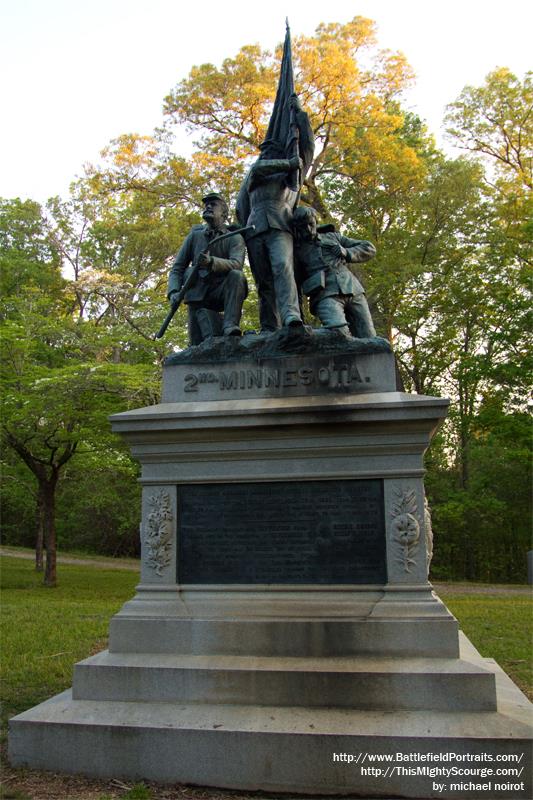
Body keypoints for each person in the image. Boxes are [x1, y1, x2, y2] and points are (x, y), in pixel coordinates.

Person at [236, 95, 314, 333]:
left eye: (270, 150)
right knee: (263, 281)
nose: (265, 154)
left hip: (281, 226)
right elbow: (255, 176)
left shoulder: (289, 178)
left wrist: (300, 115)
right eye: (264, 151)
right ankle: (270, 326)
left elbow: (307, 149)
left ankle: (291, 317)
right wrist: (288, 164)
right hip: (254, 229)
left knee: (283, 268)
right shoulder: (256, 174)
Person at [167, 192, 247, 346]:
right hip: (197, 291)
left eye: (213, 204)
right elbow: (177, 268)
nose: (208, 207)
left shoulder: (234, 237)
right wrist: (173, 292)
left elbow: (237, 263)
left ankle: (230, 326)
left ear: (224, 213)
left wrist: (212, 262)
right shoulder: (194, 237)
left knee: (237, 276)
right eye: (206, 204)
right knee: (195, 344)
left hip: (222, 291)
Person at [292, 206, 377, 339]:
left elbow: (369, 248)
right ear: (297, 228)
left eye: (311, 224)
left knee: (369, 337)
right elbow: (295, 284)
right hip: (325, 296)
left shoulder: (332, 237)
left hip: (353, 290)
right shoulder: (296, 251)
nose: (308, 230)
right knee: (339, 335)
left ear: (316, 221)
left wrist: (347, 252)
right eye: (303, 227)